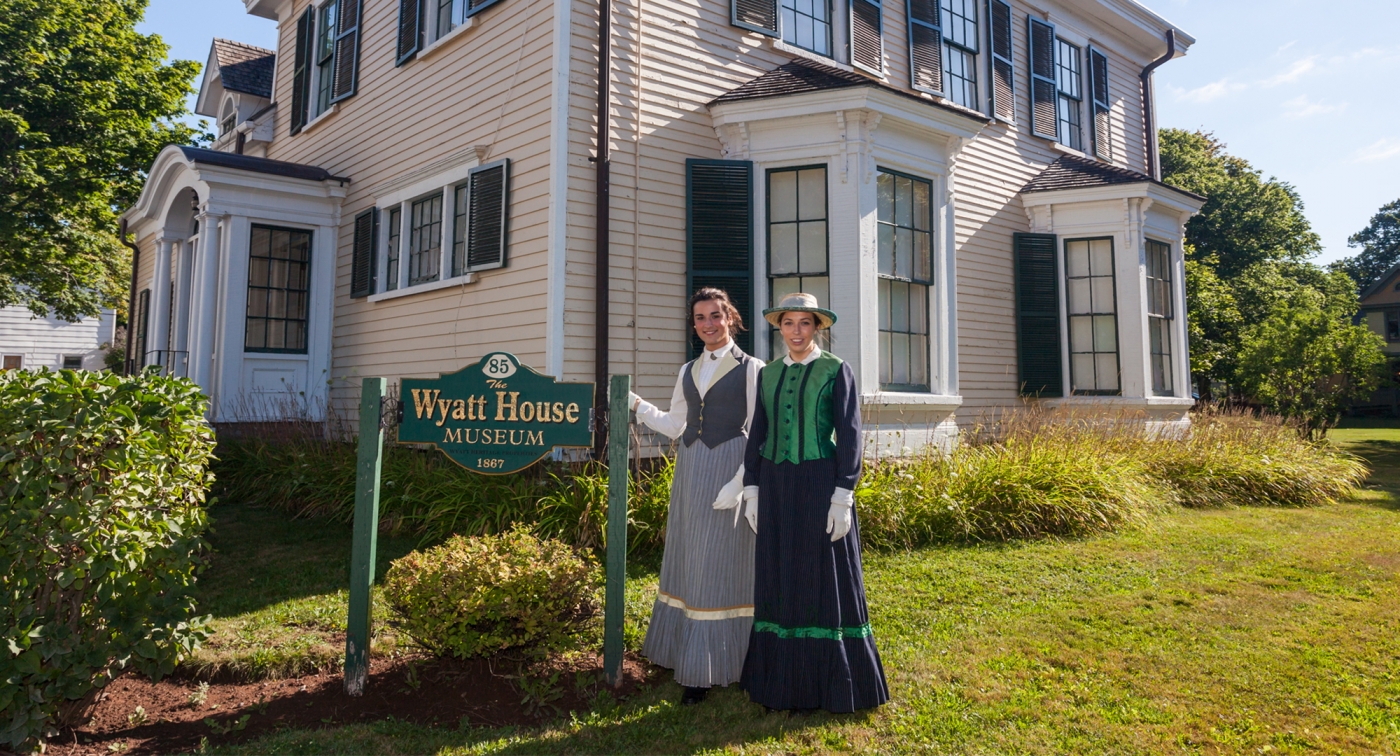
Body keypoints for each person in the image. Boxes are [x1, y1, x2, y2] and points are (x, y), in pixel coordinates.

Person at [739, 292, 889, 713]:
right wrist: (751, 486)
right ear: (779, 327)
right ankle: (779, 682)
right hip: (776, 483)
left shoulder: (836, 370)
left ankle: (830, 681)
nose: (797, 331)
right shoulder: (767, 373)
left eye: (805, 323)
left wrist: (844, 492)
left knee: (822, 573)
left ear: (818, 328)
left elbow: (851, 433)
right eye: (789, 323)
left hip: (819, 482)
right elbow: (759, 432)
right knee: (781, 569)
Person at [629, 287, 763, 705]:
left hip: (729, 470)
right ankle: (688, 659)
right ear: (694, 325)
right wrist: (635, 405)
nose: (708, 324)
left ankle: (722, 665)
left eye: (715, 316)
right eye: (700, 317)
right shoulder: (687, 369)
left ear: (731, 318)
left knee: (723, 563)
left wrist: (741, 481)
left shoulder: (753, 368)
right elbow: (675, 425)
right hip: (690, 472)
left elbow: (760, 430)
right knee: (690, 559)